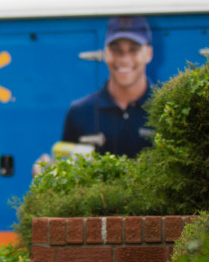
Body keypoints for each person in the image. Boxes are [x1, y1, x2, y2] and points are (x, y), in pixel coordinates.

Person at [60, 15, 155, 157]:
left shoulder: (166, 110)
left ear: (148, 53)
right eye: (116, 49)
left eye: (133, 49)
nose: (124, 59)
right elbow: (66, 171)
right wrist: (45, 171)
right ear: (105, 53)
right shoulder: (79, 112)